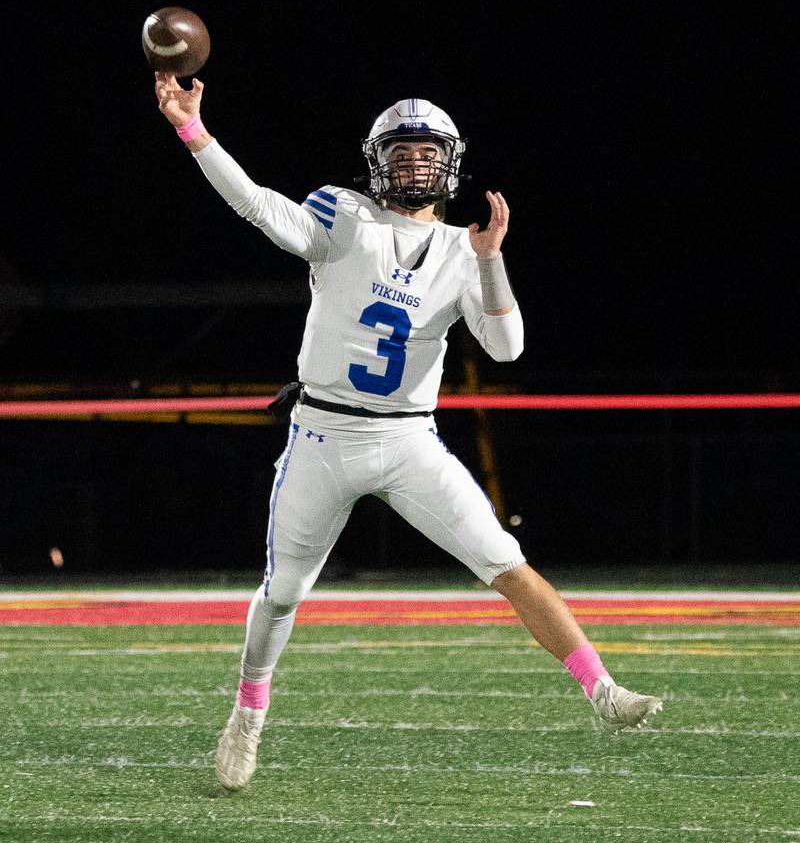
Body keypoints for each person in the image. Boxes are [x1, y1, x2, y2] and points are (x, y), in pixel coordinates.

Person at [154, 74, 664, 791]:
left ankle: (603, 690)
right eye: (402, 150)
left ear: (451, 161)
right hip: (324, 434)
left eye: (429, 151)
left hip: (408, 440)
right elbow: (257, 205)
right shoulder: (341, 216)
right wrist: (193, 131)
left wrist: (491, 261)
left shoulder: (465, 248)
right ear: (376, 158)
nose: (416, 163)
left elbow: (508, 346)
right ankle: (247, 713)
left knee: (507, 562)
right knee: (281, 593)